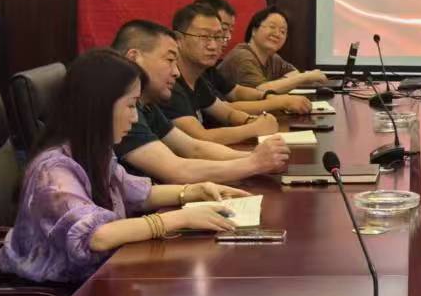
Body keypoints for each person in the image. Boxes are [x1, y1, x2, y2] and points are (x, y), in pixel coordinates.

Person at [0, 50, 245, 285]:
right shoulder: (53, 171)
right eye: (130, 105)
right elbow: (98, 236)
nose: (135, 118)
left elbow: (136, 192)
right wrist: (181, 218)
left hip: (102, 276)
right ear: (100, 105)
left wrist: (194, 191)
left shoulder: (92, 150)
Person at [111, 19, 290, 183]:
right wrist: (254, 163)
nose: (176, 72)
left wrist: (258, 157)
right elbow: (176, 169)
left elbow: (193, 148)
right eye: (170, 60)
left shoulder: (145, 103)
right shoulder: (116, 104)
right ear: (134, 58)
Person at [168, 2, 308, 144]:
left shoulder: (198, 80)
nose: (213, 46)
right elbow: (200, 139)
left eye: (218, 37)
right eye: (204, 37)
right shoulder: (170, 83)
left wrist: (251, 120)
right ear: (178, 40)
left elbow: (228, 113)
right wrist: (255, 128)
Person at [219, 5, 329, 96]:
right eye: (272, 27)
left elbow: (294, 73)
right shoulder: (242, 56)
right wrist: (306, 77)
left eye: (282, 31)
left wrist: (277, 84)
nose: (277, 34)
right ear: (254, 30)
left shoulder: (272, 57)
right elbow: (260, 92)